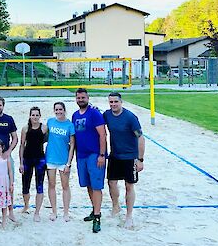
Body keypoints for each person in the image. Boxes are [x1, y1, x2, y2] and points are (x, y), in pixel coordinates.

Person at [103, 92, 145, 230]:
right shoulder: (107, 115)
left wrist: (140, 159)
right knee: (111, 183)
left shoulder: (130, 117)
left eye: (116, 102)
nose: (113, 104)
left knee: (129, 186)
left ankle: (129, 215)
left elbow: (140, 138)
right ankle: (116, 206)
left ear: (121, 102)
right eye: (111, 102)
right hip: (115, 155)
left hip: (130, 157)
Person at [72, 88, 107, 233]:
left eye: (83, 97)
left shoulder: (94, 113)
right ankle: (94, 210)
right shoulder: (74, 115)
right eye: (78, 98)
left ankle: (97, 216)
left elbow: (102, 135)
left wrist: (102, 154)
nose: (81, 100)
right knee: (88, 185)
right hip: (81, 155)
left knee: (97, 186)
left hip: (95, 154)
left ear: (88, 98)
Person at [45, 102, 75, 222]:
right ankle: (54, 211)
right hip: (51, 158)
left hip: (63, 160)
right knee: (51, 185)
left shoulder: (69, 125)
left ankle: (66, 212)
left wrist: (68, 163)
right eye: (56, 109)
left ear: (64, 110)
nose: (58, 111)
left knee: (65, 186)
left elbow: (72, 145)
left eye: (60, 109)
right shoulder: (50, 122)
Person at [18, 107, 47, 219]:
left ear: (40, 116)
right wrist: (21, 162)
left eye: (37, 115)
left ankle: (37, 212)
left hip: (40, 159)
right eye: (33, 115)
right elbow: (22, 145)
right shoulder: (25, 128)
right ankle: (26, 206)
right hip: (27, 159)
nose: (35, 117)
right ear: (30, 116)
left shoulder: (44, 128)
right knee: (25, 185)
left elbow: (48, 140)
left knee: (39, 185)